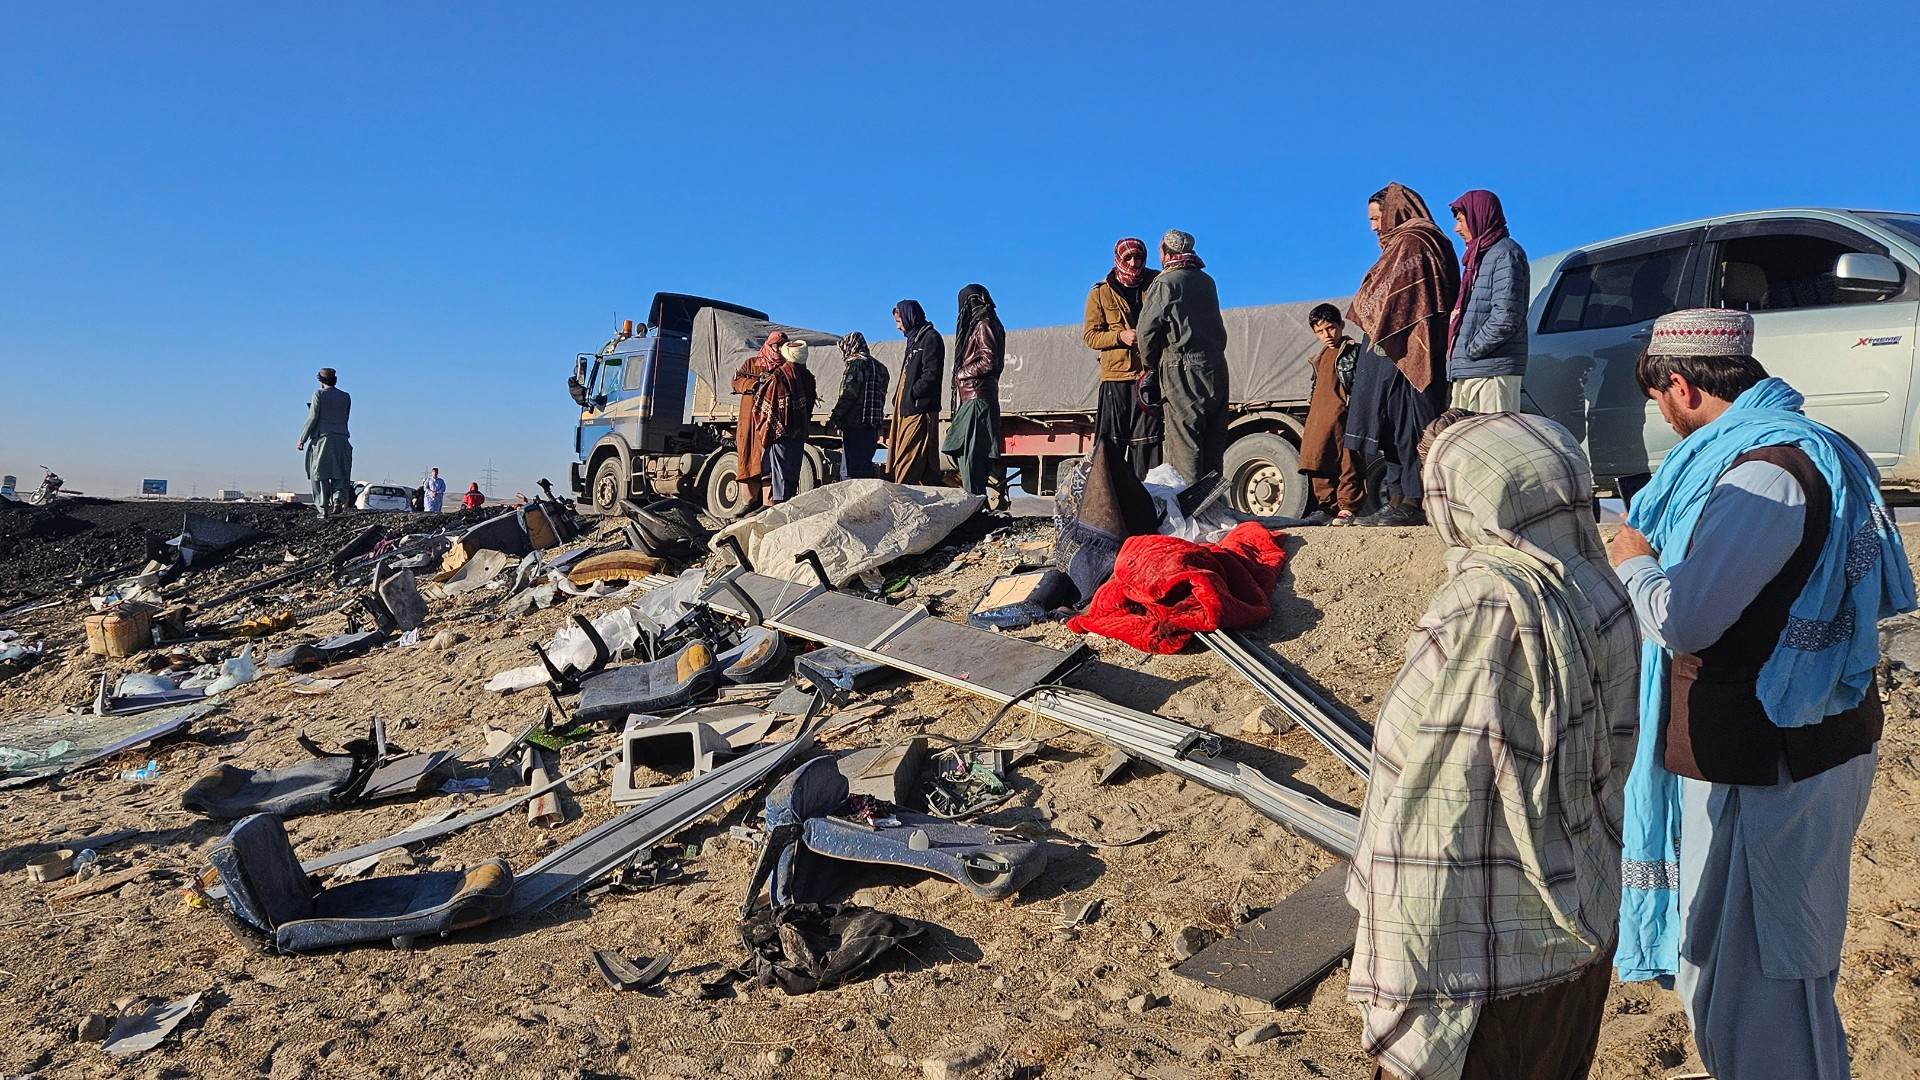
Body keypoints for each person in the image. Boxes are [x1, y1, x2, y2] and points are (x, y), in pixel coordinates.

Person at [1606, 309, 1914, 1080]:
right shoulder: (1809, 448)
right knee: (1762, 966)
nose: (1660, 417)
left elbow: (1688, 620)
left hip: (1769, 760)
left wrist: (1636, 562)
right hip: (1803, 742)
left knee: (1762, 980)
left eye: (1658, 401)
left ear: (1679, 386)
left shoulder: (1763, 472)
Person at [1349, 410, 1640, 1080]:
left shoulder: (1487, 605)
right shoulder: (1608, 589)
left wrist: (1401, 962)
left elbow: (1436, 806)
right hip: (1583, 922)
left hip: (1481, 962)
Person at [1344, 183, 1460, 527]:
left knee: (1413, 427)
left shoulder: (1414, 242)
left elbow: (1387, 298)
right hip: (1395, 353)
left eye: (1377, 217)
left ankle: (1414, 500)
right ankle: (1397, 498)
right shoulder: (1408, 244)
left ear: (1395, 211)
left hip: (1411, 351)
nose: (1373, 226)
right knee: (1393, 426)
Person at [1136, 229, 1229, 485]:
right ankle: (1213, 508)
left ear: (1166, 252)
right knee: (1212, 441)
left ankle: (1189, 513)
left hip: (1182, 366)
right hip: (1216, 366)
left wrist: (1150, 365)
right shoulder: (1207, 280)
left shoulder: (1166, 282)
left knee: (1184, 441)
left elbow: (1146, 330)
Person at [1083, 237, 1161, 477]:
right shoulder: (1101, 292)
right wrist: (1120, 337)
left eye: (1138, 257)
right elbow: (1090, 336)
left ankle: (1148, 502)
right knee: (1111, 446)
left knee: (1147, 445)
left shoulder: (1157, 283)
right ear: (1118, 258)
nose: (1134, 262)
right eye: (1128, 257)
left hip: (1149, 376)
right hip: (1115, 378)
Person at [1446, 190, 1529, 412]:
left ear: (1478, 216)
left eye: (1461, 220)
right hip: (1472, 369)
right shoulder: (1479, 258)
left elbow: (1506, 317)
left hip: (1491, 372)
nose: (1457, 228)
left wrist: (1472, 349)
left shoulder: (1506, 254)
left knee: (1496, 442)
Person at [1298, 304, 1367, 522]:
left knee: (1349, 461)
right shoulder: (1318, 358)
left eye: (1330, 328)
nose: (1327, 335)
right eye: (1320, 331)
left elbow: (1359, 386)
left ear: (1341, 326)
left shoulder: (1352, 351)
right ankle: (1325, 508)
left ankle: (1347, 507)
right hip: (1320, 416)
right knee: (1316, 460)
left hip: (1344, 414)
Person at [941, 284, 1005, 497]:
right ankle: (976, 504)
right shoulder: (988, 323)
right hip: (975, 398)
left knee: (971, 457)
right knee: (968, 455)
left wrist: (961, 373)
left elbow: (989, 362)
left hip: (976, 398)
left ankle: (975, 506)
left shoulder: (984, 324)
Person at [886, 300, 944, 486]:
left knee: (908, 459)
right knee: (914, 461)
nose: (898, 327)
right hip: (907, 409)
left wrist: (912, 394)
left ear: (910, 317)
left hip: (919, 409)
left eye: (899, 321)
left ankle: (901, 499)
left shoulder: (930, 338)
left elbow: (931, 373)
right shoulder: (914, 340)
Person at [731, 329, 787, 513]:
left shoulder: (785, 368)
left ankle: (767, 503)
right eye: (774, 345)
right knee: (747, 459)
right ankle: (749, 502)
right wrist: (755, 384)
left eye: (781, 345)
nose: (777, 349)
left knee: (768, 462)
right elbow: (737, 381)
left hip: (770, 422)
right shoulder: (752, 364)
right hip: (749, 423)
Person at [759, 336, 818, 505]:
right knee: (792, 474)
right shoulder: (808, 377)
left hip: (781, 433)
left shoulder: (779, 376)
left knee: (780, 476)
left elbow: (766, 406)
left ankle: (779, 511)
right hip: (799, 432)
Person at [830, 331, 889, 481]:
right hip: (872, 426)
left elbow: (849, 394)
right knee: (865, 470)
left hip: (855, 425)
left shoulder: (856, 364)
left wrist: (836, 416)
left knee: (850, 471)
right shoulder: (881, 367)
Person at [295, 367, 352, 518]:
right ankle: (338, 499)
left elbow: (313, 417)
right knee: (340, 472)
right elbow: (345, 416)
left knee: (319, 474)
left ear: (320, 380)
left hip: (323, 439)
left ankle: (323, 508)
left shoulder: (318, 394)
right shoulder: (345, 396)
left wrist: (302, 438)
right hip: (342, 438)